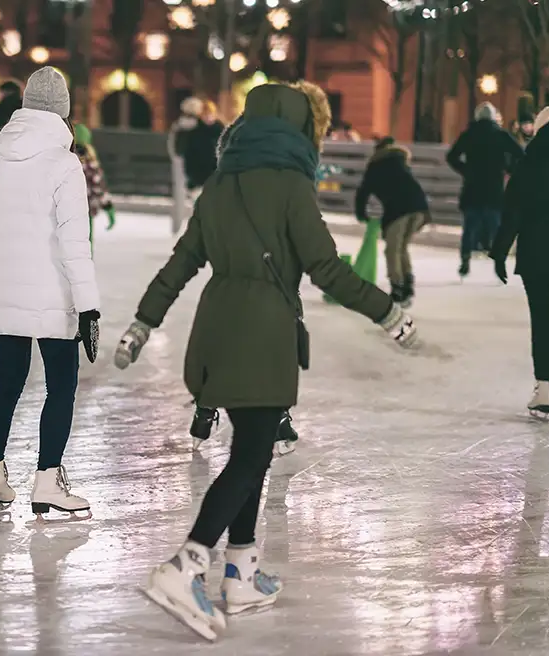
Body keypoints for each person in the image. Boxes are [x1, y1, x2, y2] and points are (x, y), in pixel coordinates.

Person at [114, 82, 418, 640]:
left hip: (216, 333)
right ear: (299, 127)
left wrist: (143, 322)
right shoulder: (291, 185)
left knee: (249, 447)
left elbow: (180, 264)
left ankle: (241, 572)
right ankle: (186, 565)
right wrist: (387, 312)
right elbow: (327, 269)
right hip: (263, 335)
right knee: (251, 457)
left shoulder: (219, 184)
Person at [0, 67, 101, 522]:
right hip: (53, 297)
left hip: (5, 292)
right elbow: (74, 242)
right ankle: (47, 482)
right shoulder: (64, 164)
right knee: (61, 387)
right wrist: (88, 306)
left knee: (7, 383)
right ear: (64, 112)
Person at [490, 105, 549, 421]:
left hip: (536, 253)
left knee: (542, 320)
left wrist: (499, 252)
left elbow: (512, 213)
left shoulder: (528, 164)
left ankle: (544, 392)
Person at [447, 101, 523, 276]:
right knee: (495, 227)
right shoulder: (501, 135)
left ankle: (465, 259)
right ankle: (498, 262)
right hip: (494, 188)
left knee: (469, 226)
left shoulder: (469, 135)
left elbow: (451, 156)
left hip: (472, 187)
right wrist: (508, 168)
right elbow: (520, 153)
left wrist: (465, 170)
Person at [354, 136, 430, 306]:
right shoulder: (400, 161)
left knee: (392, 250)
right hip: (420, 208)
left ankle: (398, 288)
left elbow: (363, 192)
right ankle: (408, 284)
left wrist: (361, 214)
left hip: (399, 210)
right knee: (402, 247)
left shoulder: (376, 165)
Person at [72, 122, 115, 246]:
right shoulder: (90, 161)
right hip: (85, 210)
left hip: (66, 210)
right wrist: (108, 207)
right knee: (84, 244)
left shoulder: (64, 157)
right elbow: (98, 187)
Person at [174, 97, 225, 195]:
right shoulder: (193, 130)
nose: (208, 117)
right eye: (204, 114)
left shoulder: (219, 128)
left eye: (210, 113)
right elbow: (186, 151)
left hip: (213, 174)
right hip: (197, 175)